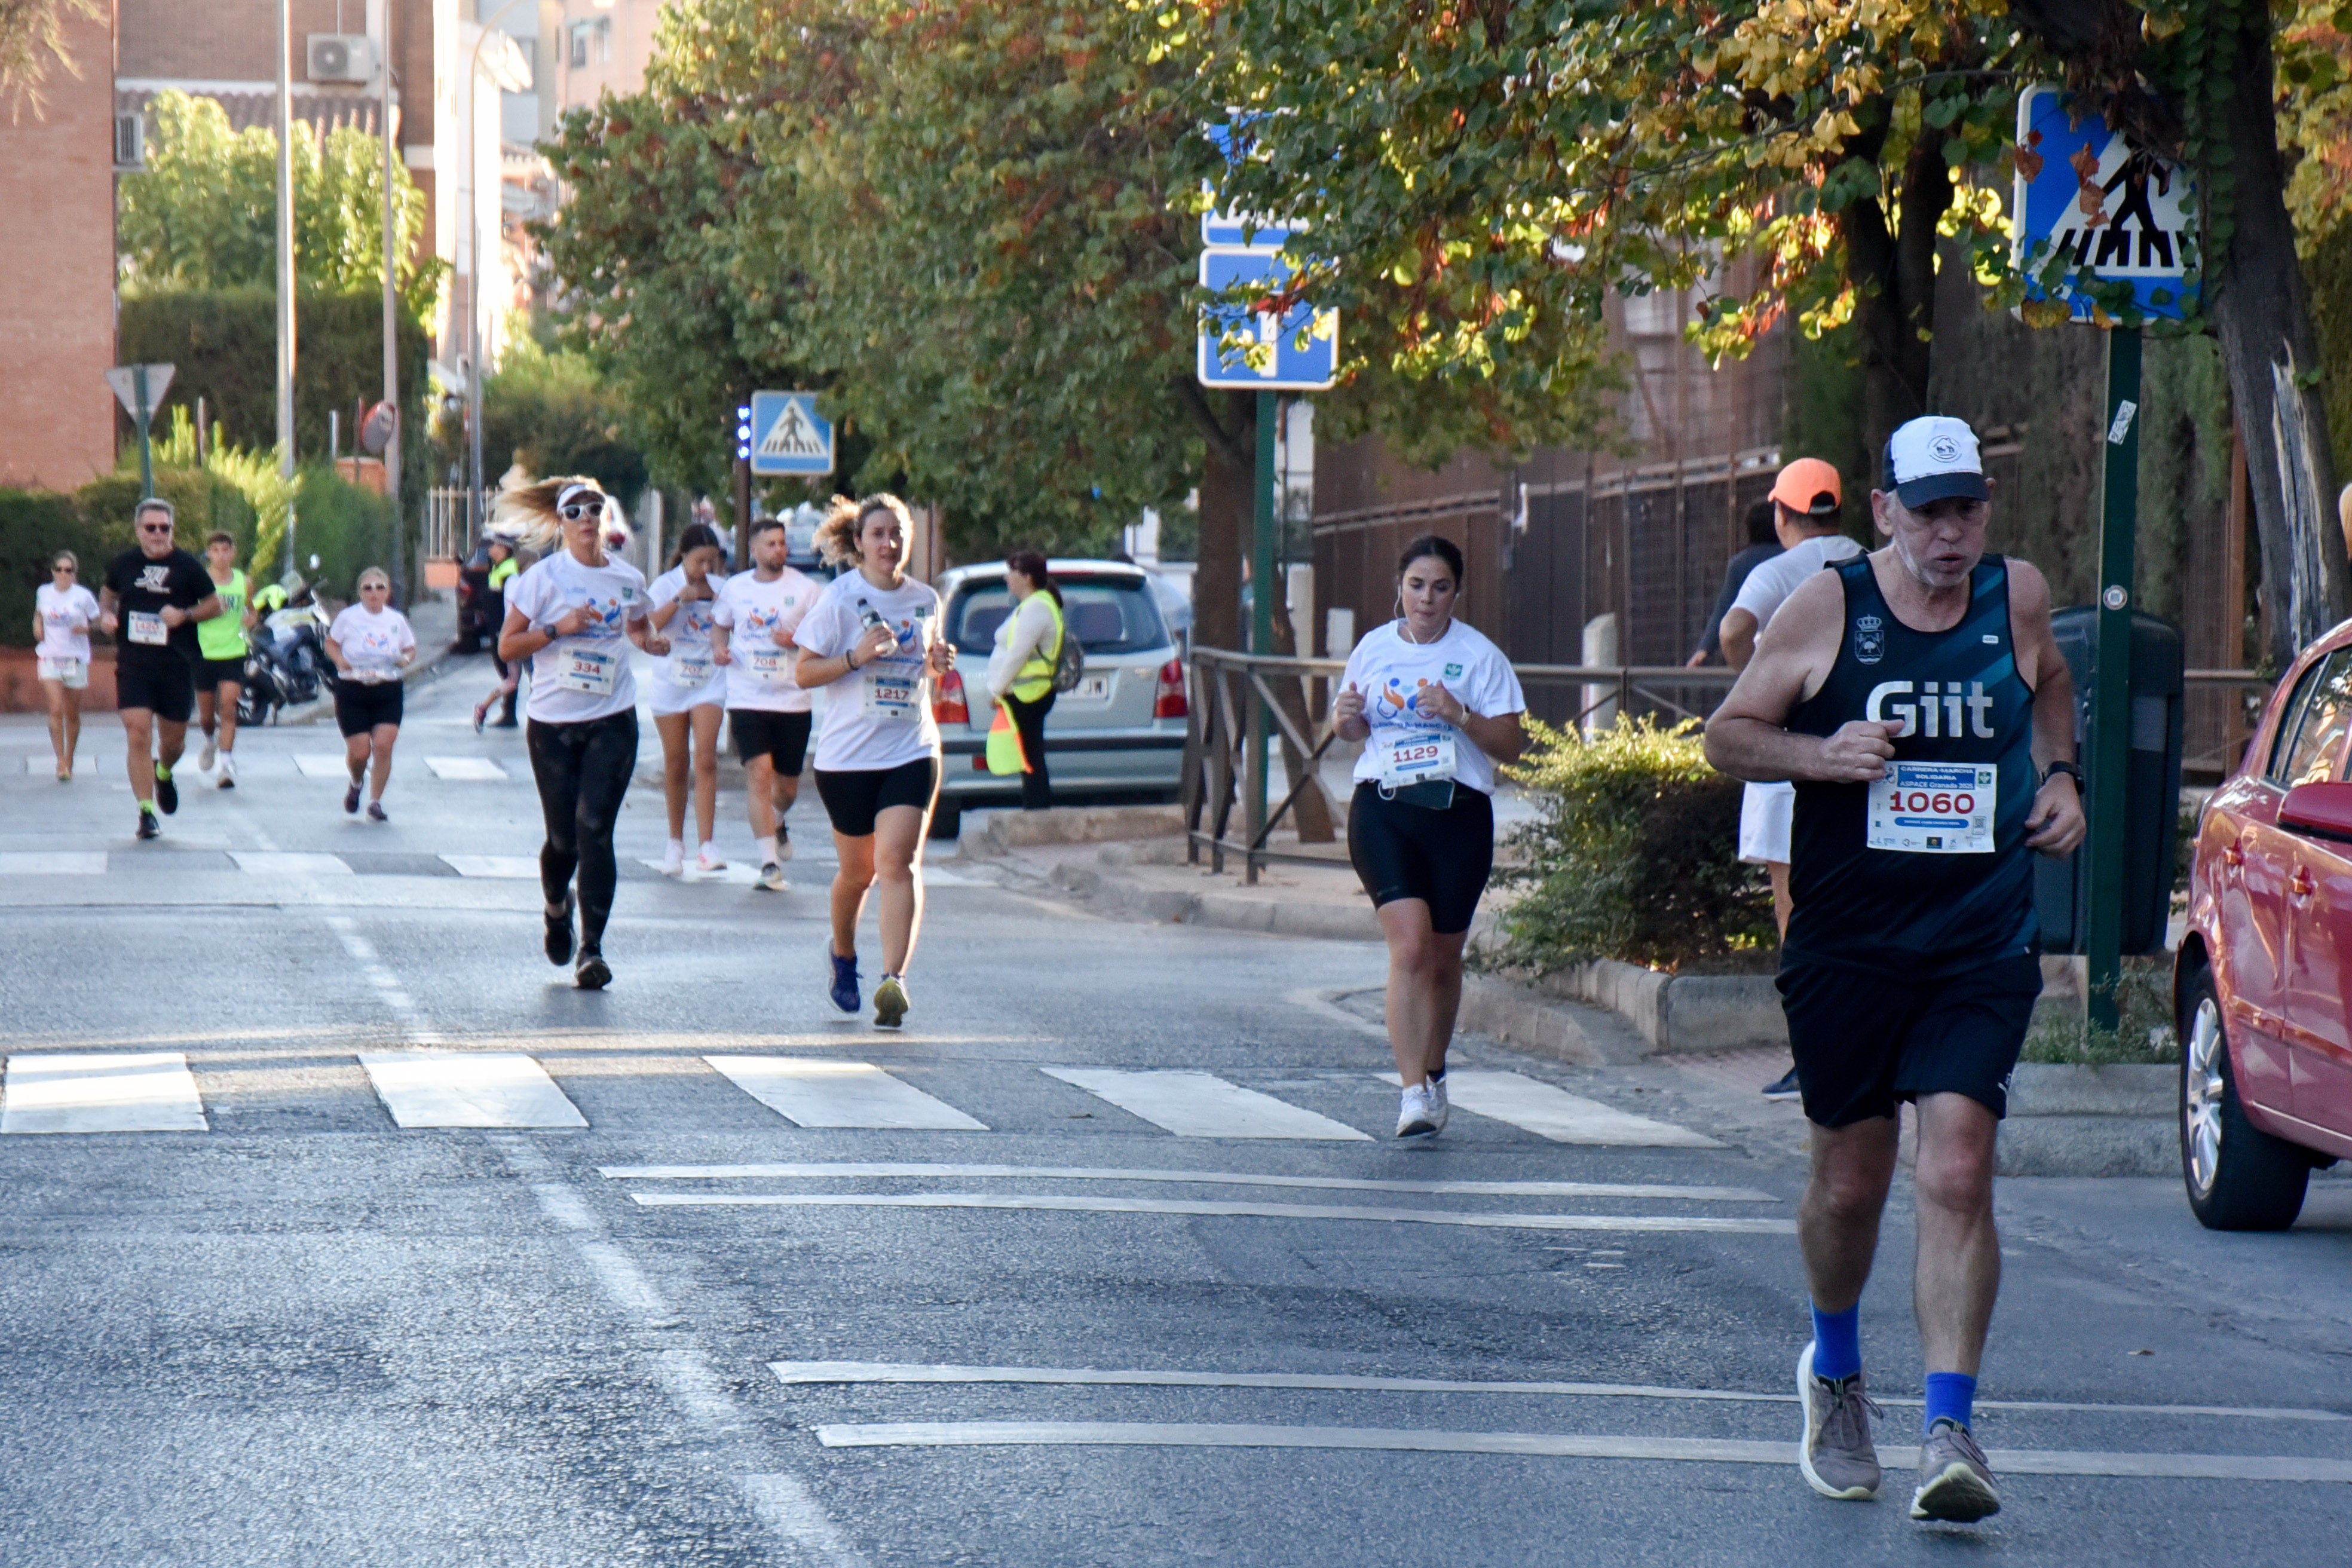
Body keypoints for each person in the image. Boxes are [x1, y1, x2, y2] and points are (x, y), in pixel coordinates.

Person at [1702, 415, 2085, 1526]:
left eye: (1967, 508)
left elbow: (2051, 676)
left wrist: (2059, 774)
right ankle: (1833, 1369)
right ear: (1883, 512)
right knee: (1850, 1182)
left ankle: (1951, 1427)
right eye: (1928, 511)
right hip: (1849, 941)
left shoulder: (2014, 595)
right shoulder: (1828, 605)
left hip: (1976, 936)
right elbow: (1726, 736)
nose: (1951, 532)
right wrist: (1819, 755)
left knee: (1959, 1166)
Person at [1332, 534, 1527, 1139]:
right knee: (1410, 947)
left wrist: (1460, 714)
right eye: (1417, 585)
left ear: (1456, 593)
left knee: (1443, 959)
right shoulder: (1373, 648)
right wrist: (1346, 720)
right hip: (1384, 808)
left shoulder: (1480, 656)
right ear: (1400, 587)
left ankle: (1436, 1070)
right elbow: (1352, 727)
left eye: (1440, 587)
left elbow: (1513, 745)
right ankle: (1412, 1089)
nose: (1427, 598)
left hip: (1457, 812)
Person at [1717, 458, 1863, 1100]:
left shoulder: (1774, 571)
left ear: (1782, 514)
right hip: (1860, 753)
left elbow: (1732, 629)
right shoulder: (1871, 561)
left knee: (1794, 910)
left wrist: (1755, 680)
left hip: (1784, 758)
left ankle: (1813, 1052)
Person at [496, 478, 665, 991]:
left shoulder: (629, 579)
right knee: (563, 840)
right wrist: (557, 629)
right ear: (562, 522)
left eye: (595, 508)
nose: (587, 518)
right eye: (575, 511)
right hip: (552, 723)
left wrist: (649, 642)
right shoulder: (542, 580)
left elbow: (636, 626)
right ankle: (555, 907)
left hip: (613, 718)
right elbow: (508, 647)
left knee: (595, 829)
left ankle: (592, 949)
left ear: (604, 518)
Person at [793, 494, 955, 1027]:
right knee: (857, 874)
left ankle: (894, 980)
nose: (890, 543)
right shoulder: (839, 600)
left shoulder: (927, 600)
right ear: (859, 543)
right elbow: (804, 673)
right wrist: (854, 658)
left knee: (898, 862)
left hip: (911, 748)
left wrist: (937, 663)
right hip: (847, 758)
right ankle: (843, 955)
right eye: (879, 534)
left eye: (898, 534)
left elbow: (927, 670)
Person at [99, 498, 223, 841]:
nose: (157, 534)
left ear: (172, 530)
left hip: (177, 664)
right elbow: (107, 595)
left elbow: (215, 605)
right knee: (137, 732)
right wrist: (106, 617)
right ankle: (146, 813)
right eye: (150, 528)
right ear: (138, 530)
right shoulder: (123, 564)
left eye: (164, 528)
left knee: (174, 742)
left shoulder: (187, 567)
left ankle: (164, 773)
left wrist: (184, 615)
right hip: (134, 662)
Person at [712, 517, 822, 889]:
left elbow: (825, 635)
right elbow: (719, 623)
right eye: (771, 544)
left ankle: (777, 819)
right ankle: (768, 864)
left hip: (792, 699)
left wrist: (797, 639)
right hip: (747, 696)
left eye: (782, 543)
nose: (779, 549)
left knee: (787, 788)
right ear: (754, 550)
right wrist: (719, 649)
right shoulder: (736, 588)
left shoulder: (806, 590)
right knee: (758, 773)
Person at [647, 522, 737, 875]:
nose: (705, 570)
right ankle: (674, 842)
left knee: (706, 758)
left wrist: (721, 631)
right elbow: (650, 624)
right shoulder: (665, 585)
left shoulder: (722, 588)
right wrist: (678, 600)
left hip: (708, 681)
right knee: (676, 763)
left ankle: (707, 844)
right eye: (699, 561)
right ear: (684, 556)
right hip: (671, 681)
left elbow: (732, 625)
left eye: (711, 562)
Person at [325, 568, 418, 822]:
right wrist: (340, 660)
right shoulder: (348, 618)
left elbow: (410, 647)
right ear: (360, 593)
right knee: (360, 752)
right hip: (353, 689)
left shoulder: (396, 620)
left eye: (380, 587)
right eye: (368, 588)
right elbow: (331, 643)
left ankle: (375, 802)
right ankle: (356, 782)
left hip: (387, 687)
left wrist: (405, 659)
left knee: (383, 745)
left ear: (388, 592)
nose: (374, 593)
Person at [984, 550, 1065, 811]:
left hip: (1030, 693)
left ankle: (1036, 812)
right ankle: (1035, 809)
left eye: (1012, 572)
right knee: (1030, 754)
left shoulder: (1037, 608)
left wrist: (997, 689)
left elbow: (1017, 655)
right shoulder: (1032, 605)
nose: (1007, 578)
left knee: (1031, 756)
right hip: (1026, 692)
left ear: (1027, 577)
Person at [1686, 500, 1784, 667]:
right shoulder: (1791, 556)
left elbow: (1724, 609)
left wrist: (1704, 649)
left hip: (1751, 650)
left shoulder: (1740, 564)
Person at [33, 550, 102, 782]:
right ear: (53, 572)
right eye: (60, 570)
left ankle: (70, 758)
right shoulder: (44, 592)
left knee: (72, 713)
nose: (64, 574)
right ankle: (60, 760)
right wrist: (37, 625)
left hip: (76, 658)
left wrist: (88, 629)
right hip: (50, 656)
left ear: (75, 574)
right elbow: (38, 613)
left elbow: (99, 621)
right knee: (55, 708)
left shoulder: (83, 596)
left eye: (69, 570)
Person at [194, 530, 255, 789]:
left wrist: (251, 620)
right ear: (208, 554)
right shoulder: (199, 581)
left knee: (228, 708)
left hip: (233, 651)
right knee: (207, 715)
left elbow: (251, 610)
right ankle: (210, 739)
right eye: (215, 550)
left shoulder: (244, 581)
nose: (220, 556)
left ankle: (226, 766)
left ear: (233, 553)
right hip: (204, 651)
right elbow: (189, 612)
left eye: (225, 550)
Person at [473, 537, 523, 731]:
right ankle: (508, 713)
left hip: (503, 630)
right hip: (500, 629)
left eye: (493, 545)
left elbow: (509, 604)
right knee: (512, 676)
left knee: (509, 676)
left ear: (503, 548)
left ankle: (498, 711)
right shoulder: (499, 567)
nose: (490, 549)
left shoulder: (508, 571)